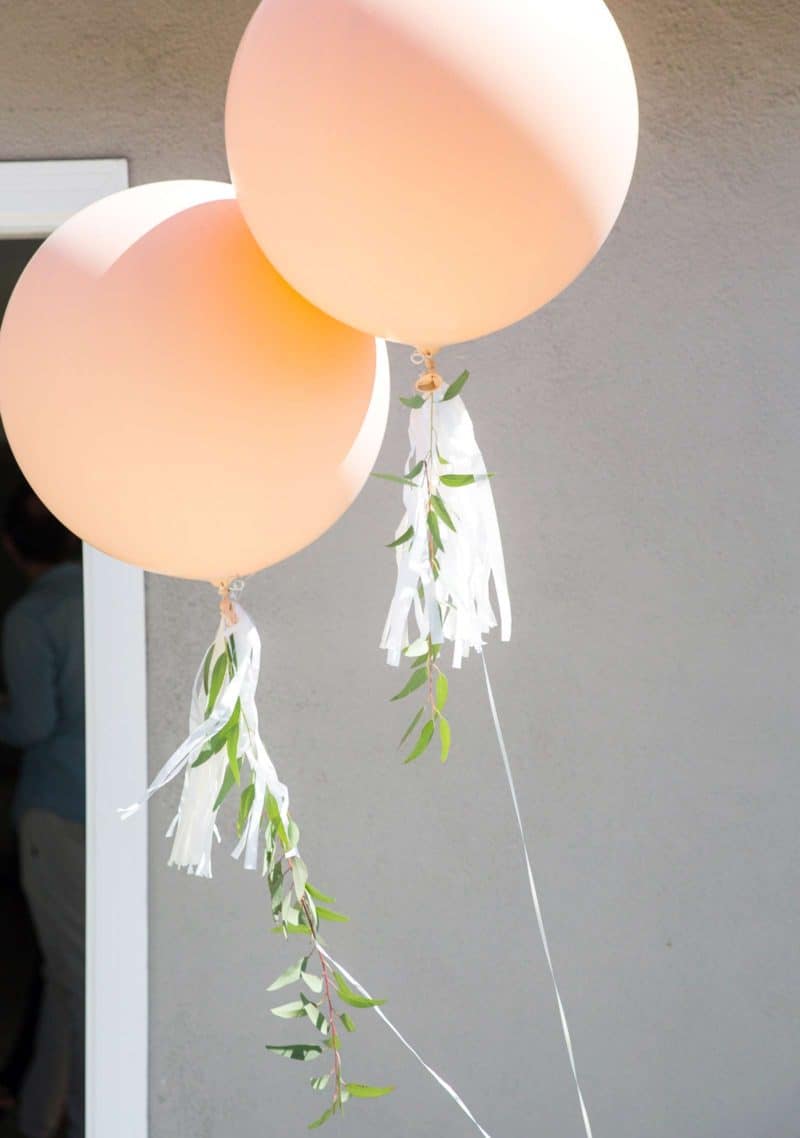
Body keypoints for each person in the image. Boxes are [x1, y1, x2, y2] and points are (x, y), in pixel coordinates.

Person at [0, 483, 84, 1138]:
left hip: (54, 810)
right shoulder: (105, 602)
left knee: (74, 979)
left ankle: (82, 1117)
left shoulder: (30, 619)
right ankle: (38, 1117)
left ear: (10, 546)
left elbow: (31, 723)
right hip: (109, 814)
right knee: (71, 976)